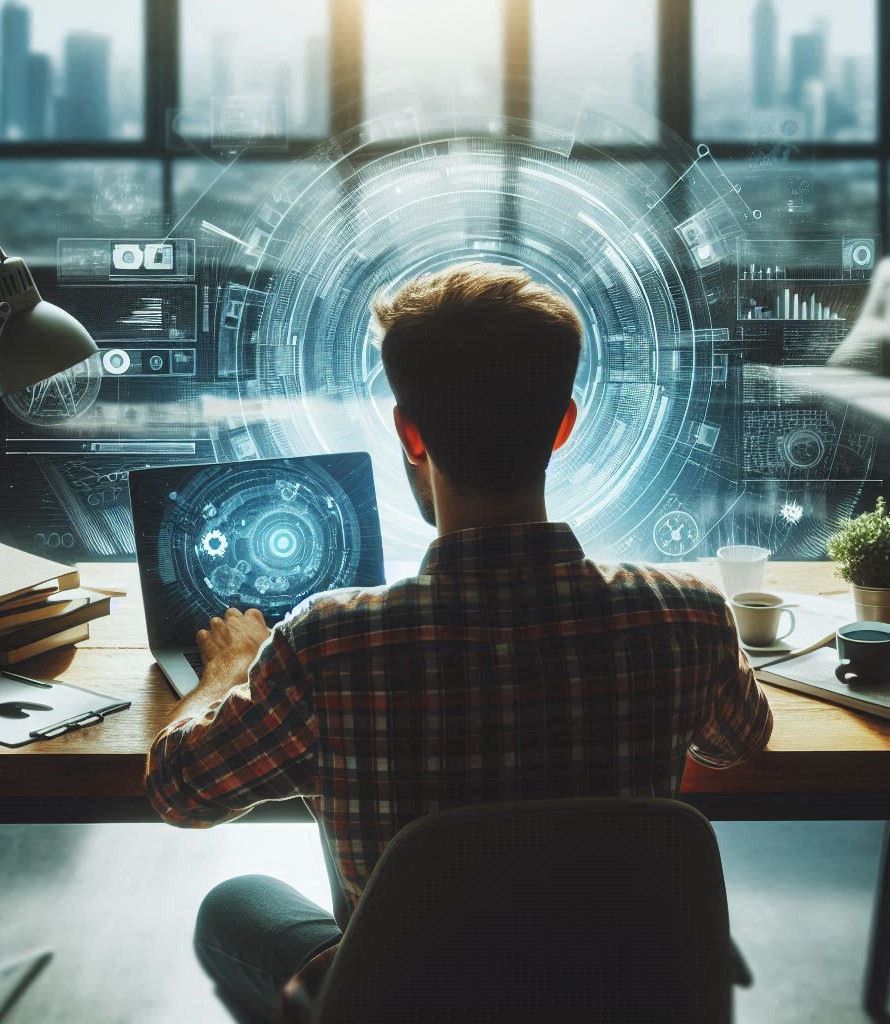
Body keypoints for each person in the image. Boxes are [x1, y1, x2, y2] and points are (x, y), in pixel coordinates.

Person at [145, 262, 773, 1022]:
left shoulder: (328, 643)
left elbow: (180, 792)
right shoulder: (689, 615)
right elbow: (737, 744)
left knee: (236, 905)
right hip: (610, 995)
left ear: (410, 432)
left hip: (408, 1001)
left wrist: (227, 672)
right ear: (564, 423)